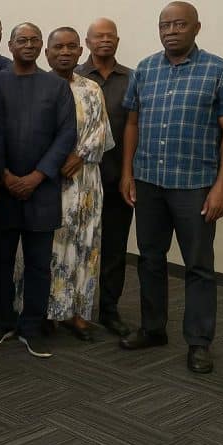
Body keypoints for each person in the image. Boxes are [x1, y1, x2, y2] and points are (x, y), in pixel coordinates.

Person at [119, 1, 223, 374]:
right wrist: (127, 173)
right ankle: (153, 329)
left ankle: (199, 342)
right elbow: (132, 123)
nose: (170, 31)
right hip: (149, 182)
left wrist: (222, 187)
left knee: (198, 266)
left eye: (179, 24)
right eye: (164, 25)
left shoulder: (220, 71)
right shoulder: (145, 69)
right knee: (150, 259)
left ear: (196, 28)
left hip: (195, 185)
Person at [16, 28, 112, 341]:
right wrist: (53, 162)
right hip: (47, 181)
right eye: (58, 47)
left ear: (81, 51)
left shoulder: (92, 88)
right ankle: (43, 310)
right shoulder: (36, 85)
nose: (65, 52)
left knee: (84, 245)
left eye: (72, 46)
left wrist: (80, 155)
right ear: (47, 52)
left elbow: (100, 130)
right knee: (49, 248)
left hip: (84, 181)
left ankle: (76, 312)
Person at [0, 23, 76, 358]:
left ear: (41, 47)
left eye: (33, 40)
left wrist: (37, 176)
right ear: (10, 45)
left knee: (39, 264)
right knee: (0, 262)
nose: (28, 44)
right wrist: (5, 175)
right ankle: (2, 321)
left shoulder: (56, 86)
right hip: (4, 189)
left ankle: (31, 326)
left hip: (42, 190)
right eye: (21, 40)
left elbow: (66, 135)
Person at [76, 18, 133, 336]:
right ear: (88, 42)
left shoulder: (132, 79)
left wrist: (129, 174)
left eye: (110, 36)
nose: (105, 40)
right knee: (76, 247)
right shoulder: (74, 77)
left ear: (118, 41)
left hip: (116, 179)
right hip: (79, 180)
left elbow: (135, 128)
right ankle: (73, 309)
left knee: (114, 249)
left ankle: (109, 310)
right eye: (98, 36)